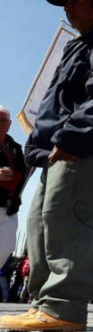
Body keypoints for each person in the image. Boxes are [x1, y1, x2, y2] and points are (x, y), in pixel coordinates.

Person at [0, 0, 93, 332]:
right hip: (55, 152)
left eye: (76, 1)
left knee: (65, 221)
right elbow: (55, 104)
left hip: (78, 151)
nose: (68, 8)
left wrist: (72, 139)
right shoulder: (78, 48)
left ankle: (64, 306)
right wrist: (40, 145)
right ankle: (43, 305)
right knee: (40, 225)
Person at [0, 105, 27, 271]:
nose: (0, 124)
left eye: (3, 120)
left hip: (9, 207)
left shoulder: (16, 148)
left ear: (9, 123)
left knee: (6, 248)